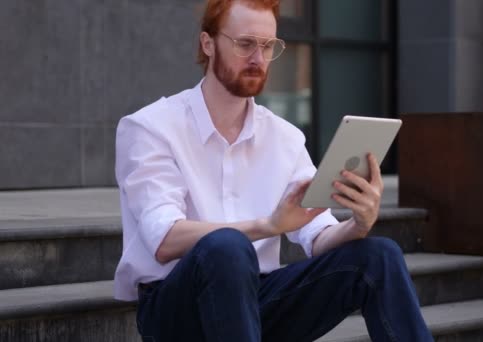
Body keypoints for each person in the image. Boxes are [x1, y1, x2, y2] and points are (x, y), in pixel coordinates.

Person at [113, 0, 433, 341]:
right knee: (226, 247)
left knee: (379, 256)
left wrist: (358, 224)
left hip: (256, 300)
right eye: (245, 44)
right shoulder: (151, 127)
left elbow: (318, 235)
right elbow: (163, 239)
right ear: (208, 44)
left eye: (268, 46)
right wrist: (267, 226)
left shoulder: (285, 138)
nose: (258, 59)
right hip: (175, 310)